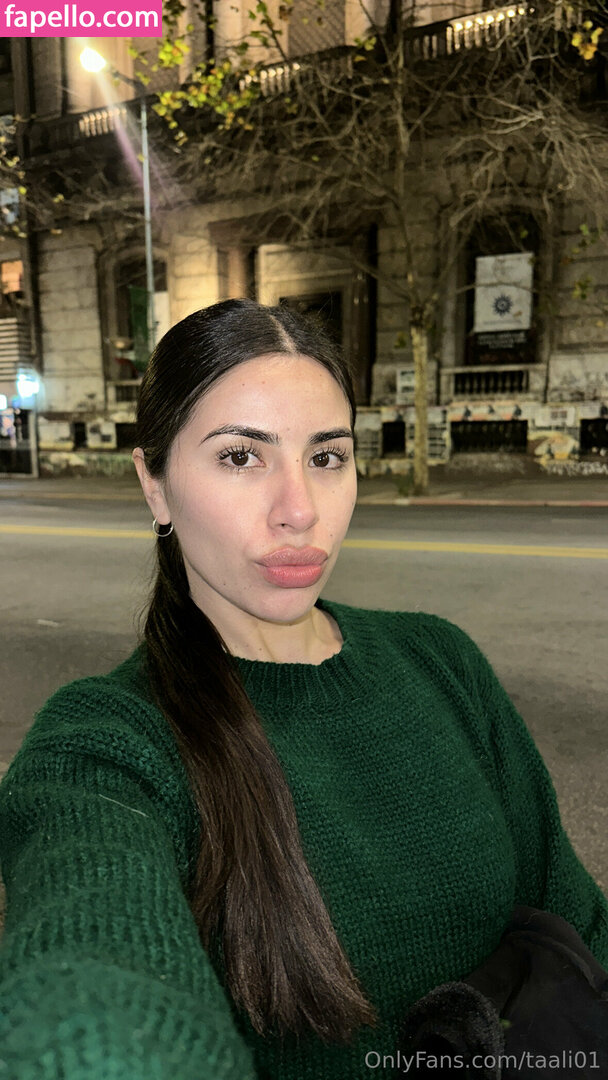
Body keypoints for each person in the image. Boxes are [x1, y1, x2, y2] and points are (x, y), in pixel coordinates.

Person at [0, 297, 606, 1080]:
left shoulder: (440, 661)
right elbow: (92, 976)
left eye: (327, 458)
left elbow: (579, 927)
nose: (300, 510)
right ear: (155, 484)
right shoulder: (108, 743)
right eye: (240, 457)